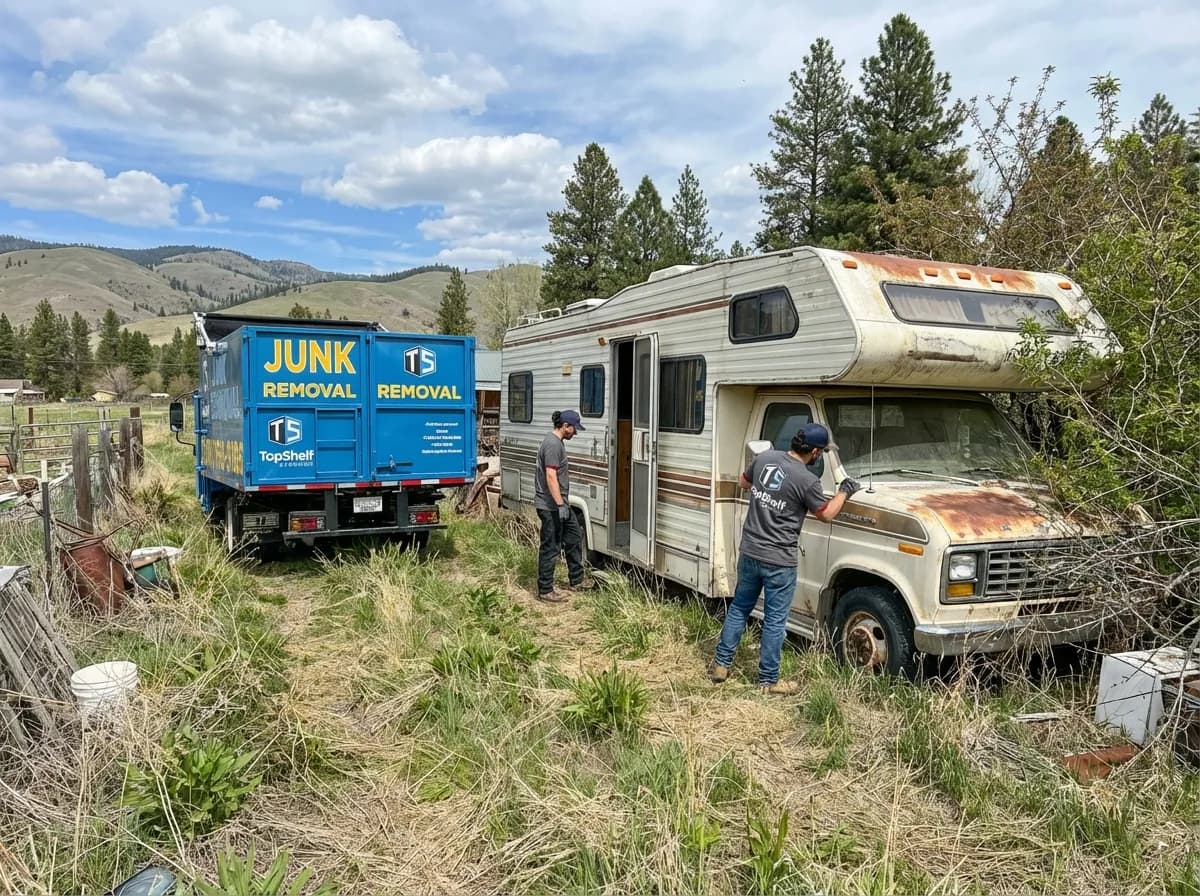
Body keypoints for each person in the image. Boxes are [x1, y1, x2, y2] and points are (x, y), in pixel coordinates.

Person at [709, 422, 861, 694]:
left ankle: (721, 665)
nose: (821, 456)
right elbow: (826, 514)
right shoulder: (807, 480)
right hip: (779, 560)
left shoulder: (764, 458)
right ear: (814, 452)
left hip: (750, 551)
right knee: (775, 620)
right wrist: (844, 492)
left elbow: (744, 483)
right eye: (821, 452)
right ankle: (768, 681)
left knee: (740, 608)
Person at [534, 409, 593, 602]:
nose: (575, 433)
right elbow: (551, 476)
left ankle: (576, 580)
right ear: (565, 426)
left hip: (560, 505)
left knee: (574, 538)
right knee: (551, 546)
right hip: (550, 506)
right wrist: (560, 504)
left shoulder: (556, 443)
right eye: (574, 428)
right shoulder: (552, 445)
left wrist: (563, 505)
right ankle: (545, 590)